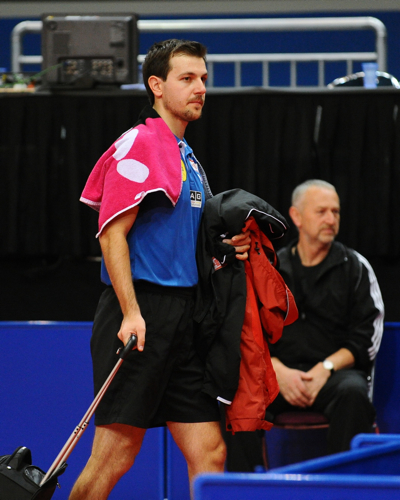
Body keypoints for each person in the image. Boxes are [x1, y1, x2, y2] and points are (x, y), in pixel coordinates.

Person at [69, 39, 251, 500]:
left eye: (204, 79)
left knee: (209, 452)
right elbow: (111, 234)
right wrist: (131, 312)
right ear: (156, 85)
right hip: (141, 314)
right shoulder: (142, 143)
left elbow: (190, 244)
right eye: (187, 78)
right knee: (115, 455)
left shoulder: (187, 157)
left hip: (184, 320)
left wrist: (230, 248)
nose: (200, 89)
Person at [267, 179, 385, 453]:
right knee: (239, 394)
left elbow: (367, 337)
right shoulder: (272, 269)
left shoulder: (355, 267)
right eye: (321, 212)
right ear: (296, 216)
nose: (331, 219)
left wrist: (326, 369)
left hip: (335, 376)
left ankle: (343, 488)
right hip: (279, 374)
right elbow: (249, 331)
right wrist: (279, 371)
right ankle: (243, 490)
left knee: (354, 393)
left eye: (336, 212)